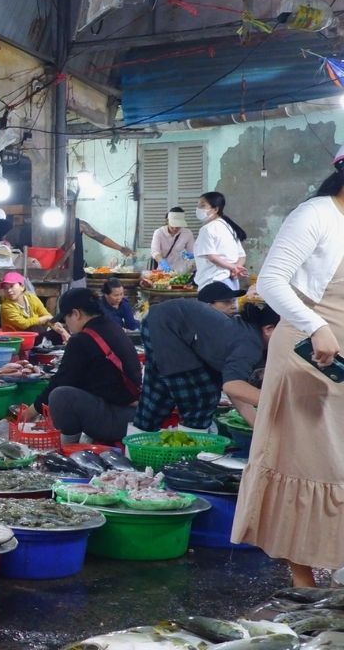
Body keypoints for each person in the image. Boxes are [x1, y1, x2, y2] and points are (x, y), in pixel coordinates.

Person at [232, 149, 344, 586]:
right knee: (311, 463)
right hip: (307, 353)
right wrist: (315, 326)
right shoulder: (315, 214)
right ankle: (304, 580)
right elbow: (272, 280)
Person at [133, 298, 279, 432]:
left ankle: (135, 448)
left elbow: (235, 389)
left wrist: (261, 430)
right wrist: (277, 402)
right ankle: (190, 456)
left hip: (161, 320)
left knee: (158, 392)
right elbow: (233, 386)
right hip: (168, 326)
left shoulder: (256, 340)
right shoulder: (250, 344)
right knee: (201, 399)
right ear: (268, 329)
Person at [20, 288, 140, 444]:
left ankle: (68, 449)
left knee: (61, 396)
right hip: (134, 414)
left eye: (66, 318)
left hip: (121, 420)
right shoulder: (112, 327)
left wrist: (30, 412)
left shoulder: (82, 339)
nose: (66, 324)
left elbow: (61, 381)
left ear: (76, 314)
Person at [194, 191, 248, 291]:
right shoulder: (228, 226)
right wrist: (236, 268)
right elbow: (242, 256)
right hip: (230, 279)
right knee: (230, 306)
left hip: (214, 280)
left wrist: (234, 268)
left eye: (202, 206)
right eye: (198, 206)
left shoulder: (207, 229)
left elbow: (212, 257)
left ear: (215, 209)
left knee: (214, 307)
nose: (198, 209)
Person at [0, 272, 68, 341]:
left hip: (33, 337)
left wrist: (61, 331)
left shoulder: (32, 299)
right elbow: (23, 324)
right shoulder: (6, 306)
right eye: (5, 288)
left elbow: (46, 316)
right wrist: (43, 319)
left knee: (60, 334)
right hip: (15, 340)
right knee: (35, 327)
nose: (9, 290)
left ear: (22, 287)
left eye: (12, 286)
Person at [71, 216, 134, 288]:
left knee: (77, 297)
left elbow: (100, 238)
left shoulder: (79, 224)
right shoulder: (56, 224)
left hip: (76, 274)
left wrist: (121, 249)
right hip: (57, 274)